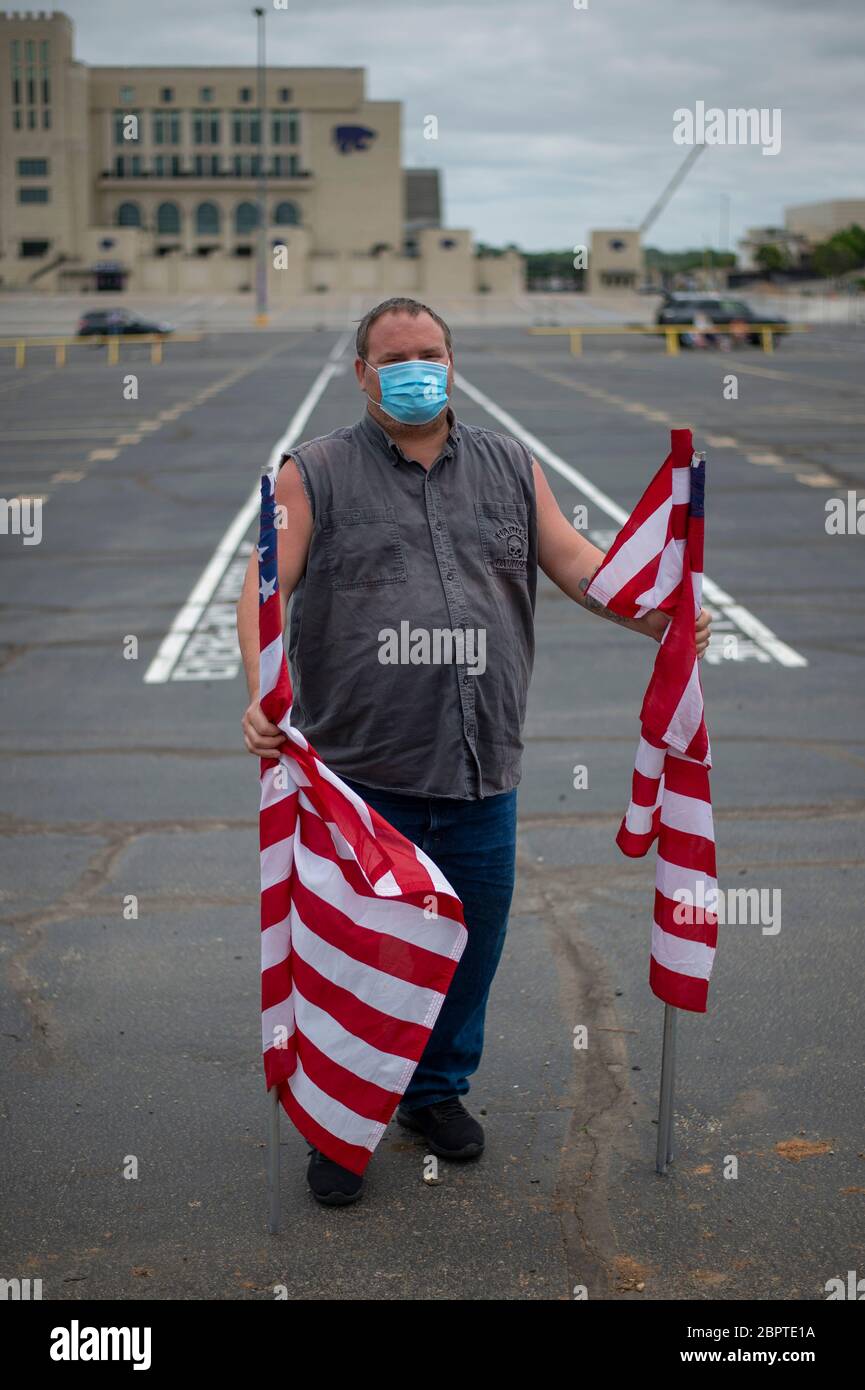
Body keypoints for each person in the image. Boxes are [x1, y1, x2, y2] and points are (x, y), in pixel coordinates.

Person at [236, 296, 711, 1206]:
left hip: (480, 766)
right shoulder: (314, 474)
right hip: (359, 775)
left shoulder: (506, 464)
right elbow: (262, 586)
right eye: (395, 356)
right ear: (362, 373)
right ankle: (339, 1125)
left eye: (431, 353)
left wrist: (659, 615)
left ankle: (432, 1093)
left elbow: (575, 563)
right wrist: (258, 697)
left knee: (470, 950)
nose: (416, 368)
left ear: (452, 362)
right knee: (354, 956)